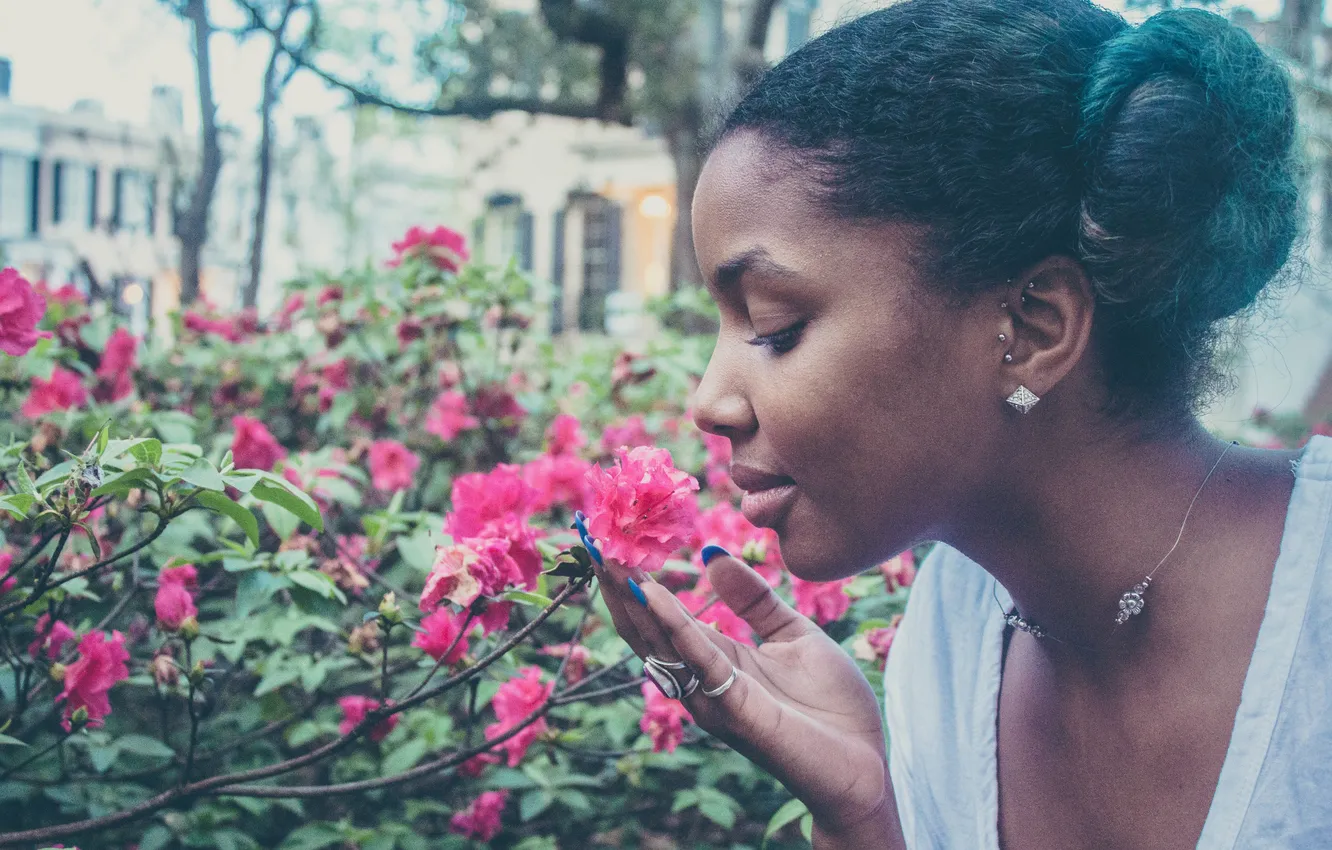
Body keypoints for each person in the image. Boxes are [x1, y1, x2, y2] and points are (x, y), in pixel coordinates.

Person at [592, 0, 1331, 847]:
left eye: (775, 326)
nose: (708, 402)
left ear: (1034, 327)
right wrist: (861, 817)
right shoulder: (953, 640)